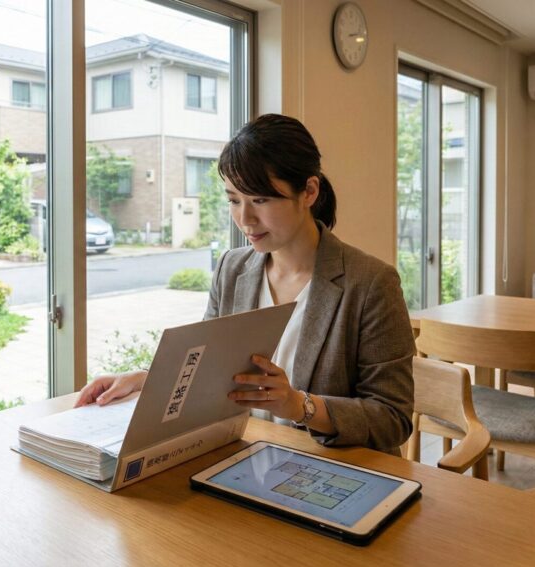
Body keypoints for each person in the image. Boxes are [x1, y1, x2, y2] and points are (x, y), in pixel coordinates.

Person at [75, 114, 415, 455]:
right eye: (234, 200)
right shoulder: (232, 268)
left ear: (309, 191)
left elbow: (392, 419)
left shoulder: (371, 283)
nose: (245, 219)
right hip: (244, 456)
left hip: (334, 471)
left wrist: (300, 407)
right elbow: (208, 367)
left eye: (261, 200)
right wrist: (146, 379)